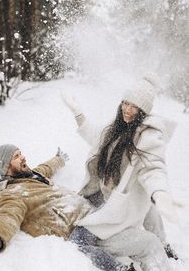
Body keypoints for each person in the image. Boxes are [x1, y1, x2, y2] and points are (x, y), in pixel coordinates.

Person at [63, 74, 179, 270]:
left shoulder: (146, 135)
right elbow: (94, 136)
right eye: (125, 103)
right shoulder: (115, 128)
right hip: (105, 197)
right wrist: (77, 112)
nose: (127, 109)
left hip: (119, 203)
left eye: (134, 106)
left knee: (146, 205)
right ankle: (158, 243)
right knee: (142, 207)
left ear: (143, 111)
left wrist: (159, 192)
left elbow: (153, 166)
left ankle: (162, 246)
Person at [0, 144, 135, 271]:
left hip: (87, 210)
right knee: (82, 247)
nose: (23, 157)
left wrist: (59, 159)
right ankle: (119, 268)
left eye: (21, 153)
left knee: (111, 191)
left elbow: (47, 167)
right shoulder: (12, 193)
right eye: (16, 156)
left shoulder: (33, 175)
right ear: (6, 167)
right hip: (76, 226)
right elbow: (8, 216)